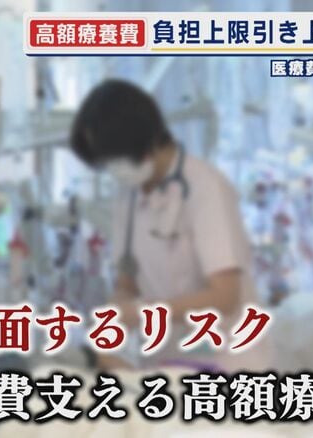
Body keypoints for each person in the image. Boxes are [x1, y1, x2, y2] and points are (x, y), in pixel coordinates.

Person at [70, 79, 269, 370]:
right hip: (167, 359)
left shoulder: (206, 187)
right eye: (104, 163)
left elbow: (225, 296)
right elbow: (127, 283)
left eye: (114, 158)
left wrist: (142, 313)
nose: (112, 170)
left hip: (227, 360)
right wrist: (115, 315)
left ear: (146, 142)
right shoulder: (127, 195)